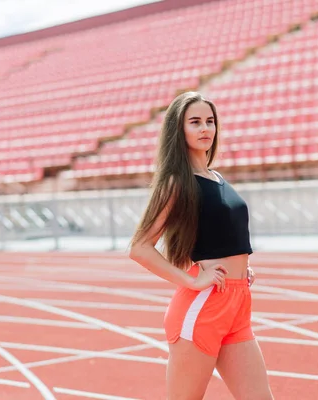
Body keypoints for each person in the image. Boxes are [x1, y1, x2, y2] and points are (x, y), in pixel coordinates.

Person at [129, 91, 274, 400]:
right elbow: (140, 247)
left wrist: (243, 265)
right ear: (178, 130)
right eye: (195, 122)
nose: (206, 129)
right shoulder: (176, 183)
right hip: (204, 305)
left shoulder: (216, 177)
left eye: (210, 121)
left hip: (237, 303)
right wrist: (191, 280)